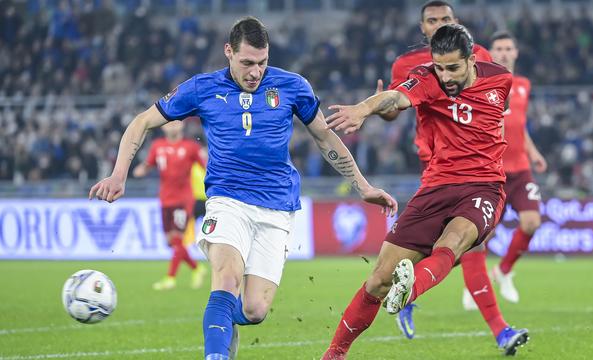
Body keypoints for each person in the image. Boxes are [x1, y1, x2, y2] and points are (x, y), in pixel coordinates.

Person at [89, 16, 397, 360]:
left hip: (277, 206)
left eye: (262, 63)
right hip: (226, 200)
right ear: (228, 53)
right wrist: (119, 174)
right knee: (226, 277)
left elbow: (324, 137)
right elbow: (142, 121)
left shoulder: (292, 86)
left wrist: (363, 186)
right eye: (247, 62)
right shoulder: (202, 88)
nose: (256, 72)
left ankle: (223, 318)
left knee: (254, 310)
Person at [321, 24, 528, 359]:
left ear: (472, 59)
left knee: (454, 241)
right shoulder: (427, 77)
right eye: (440, 67)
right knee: (377, 281)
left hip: (484, 186)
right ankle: (335, 353)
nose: (445, 76)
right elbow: (395, 97)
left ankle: (410, 291)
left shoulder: (500, 80)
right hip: (436, 187)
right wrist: (363, 109)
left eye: (453, 68)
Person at [378, 0, 515, 345]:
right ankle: (499, 331)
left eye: (445, 18)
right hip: (435, 166)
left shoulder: (478, 55)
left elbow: (496, 104)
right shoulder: (407, 65)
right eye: (432, 20)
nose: (439, 24)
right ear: (422, 28)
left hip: (476, 166)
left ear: (457, 24)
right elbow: (395, 108)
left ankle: (414, 292)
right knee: (465, 248)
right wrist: (382, 108)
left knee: (467, 246)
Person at [467, 30, 546, 304]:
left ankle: (503, 271)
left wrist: (534, 152)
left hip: (521, 168)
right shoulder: (482, 83)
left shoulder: (523, 85)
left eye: (507, 48)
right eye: (498, 48)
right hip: (492, 171)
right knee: (482, 233)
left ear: (515, 52)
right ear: (490, 52)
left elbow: (519, 126)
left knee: (532, 221)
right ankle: (475, 284)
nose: (503, 52)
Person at [132, 121, 208, 290]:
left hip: (183, 200)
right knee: (172, 242)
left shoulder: (191, 147)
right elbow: (149, 164)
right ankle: (197, 268)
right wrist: (141, 170)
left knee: (177, 238)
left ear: (182, 125)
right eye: (169, 123)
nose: (172, 126)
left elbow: (206, 167)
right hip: (165, 199)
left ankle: (170, 278)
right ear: (163, 126)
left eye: (176, 123)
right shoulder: (157, 146)